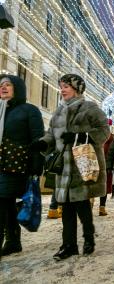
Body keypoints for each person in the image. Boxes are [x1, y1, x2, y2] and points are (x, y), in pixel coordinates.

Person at [31, 74, 110, 260]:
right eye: (61, 86)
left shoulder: (89, 108)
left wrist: (80, 137)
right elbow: (52, 135)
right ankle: (69, 245)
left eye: (66, 86)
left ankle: (89, 238)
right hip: (63, 168)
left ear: (77, 89)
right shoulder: (59, 112)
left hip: (82, 165)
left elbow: (104, 131)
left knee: (82, 205)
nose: (62, 89)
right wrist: (43, 144)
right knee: (66, 207)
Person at [0, 75, 44, 261]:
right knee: (6, 203)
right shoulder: (0, 110)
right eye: (1, 85)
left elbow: (38, 139)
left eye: (7, 84)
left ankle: (10, 239)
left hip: (15, 164)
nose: (3, 87)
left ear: (17, 88)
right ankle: (13, 240)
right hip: (1, 164)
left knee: (2, 201)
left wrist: (36, 164)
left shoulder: (29, 110)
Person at [98, 132, 114, 216]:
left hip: (97, 164)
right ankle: (102, 208)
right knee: (104, 186)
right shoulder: (110, 137)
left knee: (92, 185)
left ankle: (100, 207)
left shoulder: (92, 135)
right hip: (104, 165)